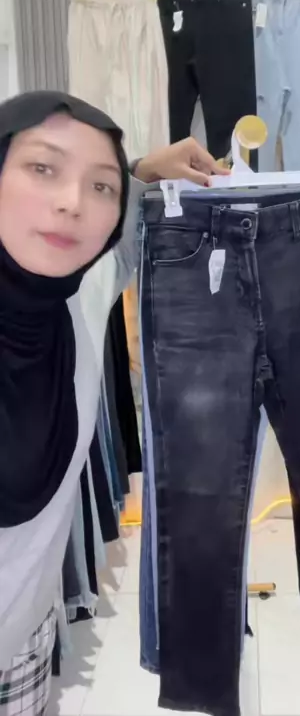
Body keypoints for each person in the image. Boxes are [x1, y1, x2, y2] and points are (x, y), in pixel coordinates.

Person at [0, 90, 228, 716]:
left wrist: (142, 171)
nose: (73, 202)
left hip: (22, 641)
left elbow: (121, 244)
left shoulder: (77, 297)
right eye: (42, 168)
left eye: (100, 187)